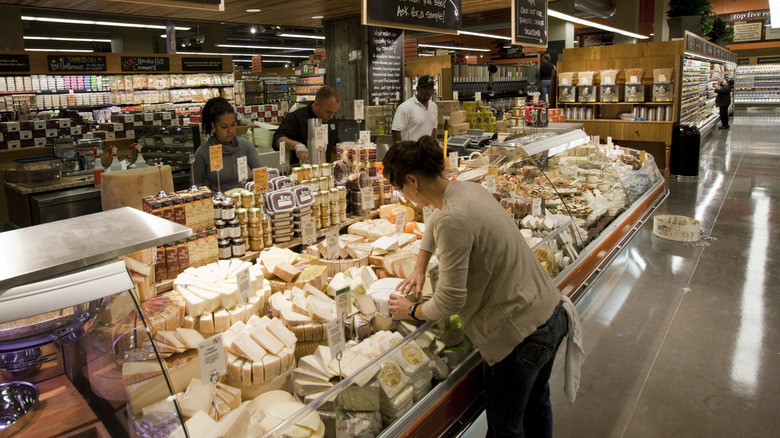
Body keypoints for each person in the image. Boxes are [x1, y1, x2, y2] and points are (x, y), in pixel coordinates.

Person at [384, 136, 574, 438]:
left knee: (505, 429)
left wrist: (412, 310)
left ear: (412, 180)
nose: (404, 196)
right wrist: (420, 264)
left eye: (400, 188)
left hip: (518, 337)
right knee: (537, 405)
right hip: (549, 314)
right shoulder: (465, 189)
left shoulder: (452, 219)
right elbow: (435, 219)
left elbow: (449, 301)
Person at [193, 97, 262, 192]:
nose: (230, 131)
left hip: (244, 200)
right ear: (214, 126)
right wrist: (215, 196)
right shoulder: (203, 152)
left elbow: (260, 173)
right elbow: (196, 184)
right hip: (217, 202)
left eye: (233, 125)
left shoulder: (245, 146)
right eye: (224, 127)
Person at [273, 86, 341, 165]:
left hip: (324, 171)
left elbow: (334, 143)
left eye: (334, 113)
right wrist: (297, 145)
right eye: (328, 112)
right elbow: (277, 140)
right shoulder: (296, 117)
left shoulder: (332, 120)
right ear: (316, 104)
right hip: (301, 171)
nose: (331, 116)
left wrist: (346, 150)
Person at [391, 76, 438, 143]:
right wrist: (400, 151)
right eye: (424, 88)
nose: (428, 91)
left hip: (427, 151)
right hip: (410, 151)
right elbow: (396, 131)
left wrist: (433, 146)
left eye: (430, 89)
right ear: (417, 89)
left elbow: (433, 128)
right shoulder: (405, 107)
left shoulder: (434, 106)